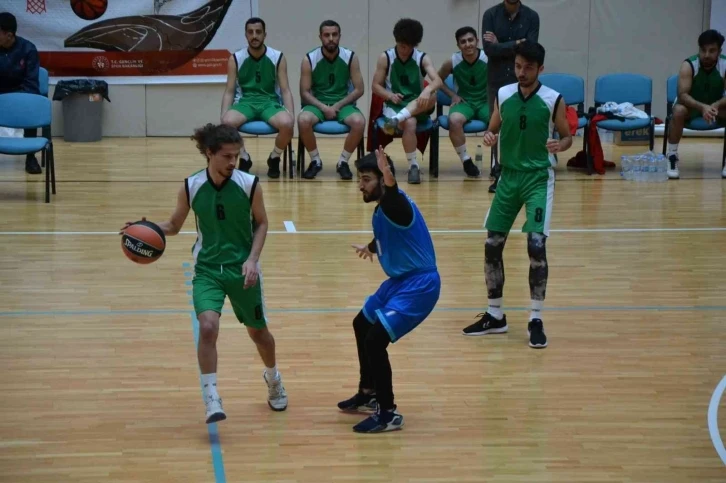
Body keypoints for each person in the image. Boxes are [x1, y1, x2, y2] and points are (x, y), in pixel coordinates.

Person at [120, 123, 288, 424]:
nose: (233, 162)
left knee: (259, 334)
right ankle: (211, 397)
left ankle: (273, 377)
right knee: (208, 327)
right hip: (207, 269)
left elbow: (262, 223)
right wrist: (146, 228)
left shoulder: (249, 184)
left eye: (236, 155)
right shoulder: (191, 186)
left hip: (242, 270)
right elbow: (174, 225)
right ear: (209, 153)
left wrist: (252, 260)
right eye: (227, 156)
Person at [461, 42, 571, 349]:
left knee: (536, 246)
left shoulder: (553, 99)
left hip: (538, 179)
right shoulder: (504, 94)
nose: (521, 72)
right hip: (507, 178)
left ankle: (535, 318)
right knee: (492, 245)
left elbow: (567, 137)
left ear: (540, 69)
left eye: (528, 68)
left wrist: (560, 145)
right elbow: (493, 128)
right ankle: (495, 315)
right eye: (518, 66)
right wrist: (489, 135)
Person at [337, 147, 440, 433]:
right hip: (399, 281)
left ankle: (388, 413)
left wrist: (389, 177)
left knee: (375, 340)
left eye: (367, 179)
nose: (361, 185)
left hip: (420, 286)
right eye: (360, 179)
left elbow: (394, 199)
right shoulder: (383, 210)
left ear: (383, 180)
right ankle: (368, 392)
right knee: (361, 323)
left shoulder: (396, 203)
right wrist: (370, 247)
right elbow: (390, 234)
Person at [221, 17, 294, 179]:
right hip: (245, 102)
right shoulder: (235, 58)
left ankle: (274, 157)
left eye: (258, 32)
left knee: (287, 123)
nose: (254, 36)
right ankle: (244, 158)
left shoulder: (277, 57)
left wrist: (291, 115)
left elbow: (285, 90)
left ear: (264, 35)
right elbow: (229, 91)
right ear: (246, 35)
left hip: (270, 102)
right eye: (251, 32)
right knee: (226, 122)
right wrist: (223, 115)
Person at [372, 18, 443, 184]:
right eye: (402, 46)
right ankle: (413, 166)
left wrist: (426, 90)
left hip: (418, 103)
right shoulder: (386, 57)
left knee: (433, 95)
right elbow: (375, 86)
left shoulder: (422, 58)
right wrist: (390, 95)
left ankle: (396, 120)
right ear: (396, 41)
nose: (405, 50)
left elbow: (438, 80)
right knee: (410, 122)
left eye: (409, 46)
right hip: (394, 104)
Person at [481, 0, 539, 190]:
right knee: (496, 126)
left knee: (521, 124)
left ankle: (522, 169)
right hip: (496, 80)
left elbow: (530, 50)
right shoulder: (490, 15)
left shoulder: (531, 16)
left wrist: (501, 44)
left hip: (522, 79)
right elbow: (489, 50)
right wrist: (516, 43)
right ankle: (498, 173)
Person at [298, 20, 365, 180]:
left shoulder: (350, 57)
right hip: (317, 103)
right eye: (326, 35)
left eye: (334, 35)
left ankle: (343, 162)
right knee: (303, 120)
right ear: (320, 37)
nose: (331, 38)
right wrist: (324, 108)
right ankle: (315, 161)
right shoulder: (309, 59)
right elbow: (304, 92)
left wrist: (336, 106)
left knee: (359, 122)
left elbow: (359, 89)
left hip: (343, 103)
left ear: (340, 36)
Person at [666, 29, 726, 179]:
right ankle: (672, 156)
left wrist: (716, 105)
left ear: (720, 51)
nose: (706, 55)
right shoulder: (689, 65)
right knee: (678, 111)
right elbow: (682, 95)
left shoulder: (724, 65)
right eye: (703, 50)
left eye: (712, 51)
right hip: (691, 107)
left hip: (715, 108)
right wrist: (702, 107)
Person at [437, 26, 489, 178]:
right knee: (454, 120)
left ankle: (497, 164)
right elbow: (437, 79)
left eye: (470, 40)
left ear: (477, 41)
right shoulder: (453, 61)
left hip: (485, 101)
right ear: (458, 45)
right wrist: (452, 94)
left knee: (503, 120)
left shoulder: (488, 58)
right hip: (465, 102)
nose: (468, 44)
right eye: (463, 42)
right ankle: (466, 160)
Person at [0, 12, 41, 175]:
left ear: (9, 35)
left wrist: (14, 101)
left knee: (32, 103)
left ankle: (30, 157)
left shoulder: (28, 49)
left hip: (21, 95)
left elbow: (32, 83)